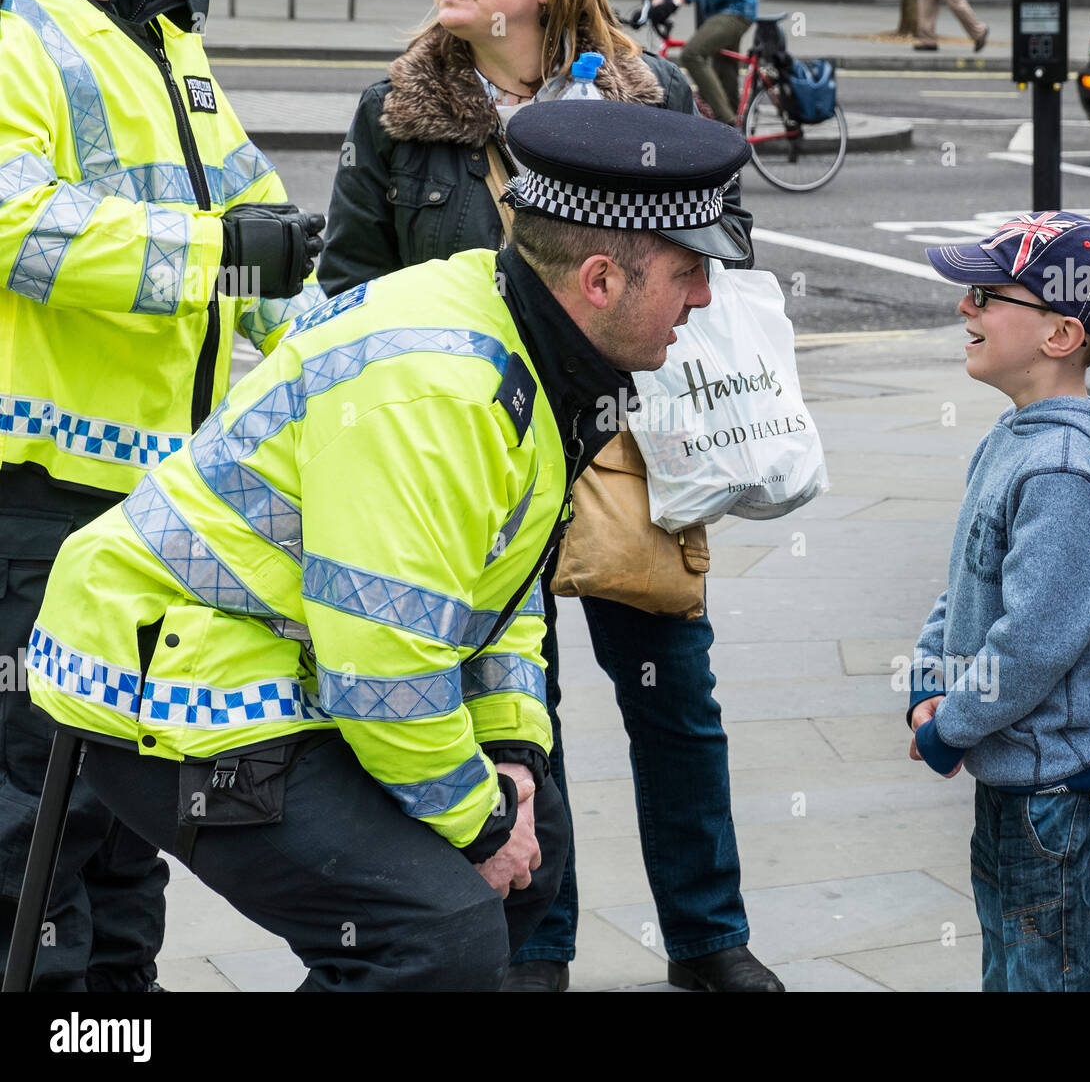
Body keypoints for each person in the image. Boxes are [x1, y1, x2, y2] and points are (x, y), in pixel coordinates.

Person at [26, 99, 753, 993]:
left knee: (536, 848)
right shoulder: (439, 392)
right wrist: (483, 824)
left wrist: (515, 758)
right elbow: (384, 669)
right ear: (600, 280)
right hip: (175, 682)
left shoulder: (528, 338)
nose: (706, 295)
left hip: (290, 661)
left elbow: (505, 585)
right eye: (689, 270)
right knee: (435, 937)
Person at [318, 0, 781, 993]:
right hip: (476, 458)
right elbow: (346, 284)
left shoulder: (649, 91)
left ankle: (710, 939)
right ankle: (539, 944)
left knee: (674, 695)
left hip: (630, 444)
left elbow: (730, 236)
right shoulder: (396, 111)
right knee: (520, 714)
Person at [0, 0, 326, 991]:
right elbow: (14, 228)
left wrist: (345, 351)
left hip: (152, 511)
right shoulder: (12, 26)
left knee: (125, 830)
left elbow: (266, 236)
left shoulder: (162, 35)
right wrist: (222, 254)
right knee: (32, 847)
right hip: (38, 511)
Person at [905, 211, 1090, 991]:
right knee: (1019, 971)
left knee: (1056, 979)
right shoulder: (1015, 437)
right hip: (1024, 782)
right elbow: (966, 581)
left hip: (1064, 797)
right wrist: (932, 677)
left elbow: (1032, 641)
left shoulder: (1064, 472)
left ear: (1060, 334)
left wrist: (952, 725)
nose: (965, 306)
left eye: (987, 294)